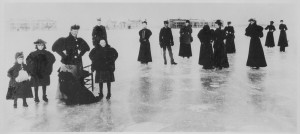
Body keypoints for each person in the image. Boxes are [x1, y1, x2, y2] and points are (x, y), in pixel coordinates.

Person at [52, 24, 98, 105]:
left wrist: (80, 55)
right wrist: (64, 55)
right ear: (70, 30)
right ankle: (64, 97)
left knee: (75, 80)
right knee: (66, 80)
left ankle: (74, 97)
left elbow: (87, 48)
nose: (75, 32)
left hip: (77, 63)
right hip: (67, 63)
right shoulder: (65, 40)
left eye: (77, 31)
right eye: (74, 30)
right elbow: (54, 48)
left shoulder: (79, 40)